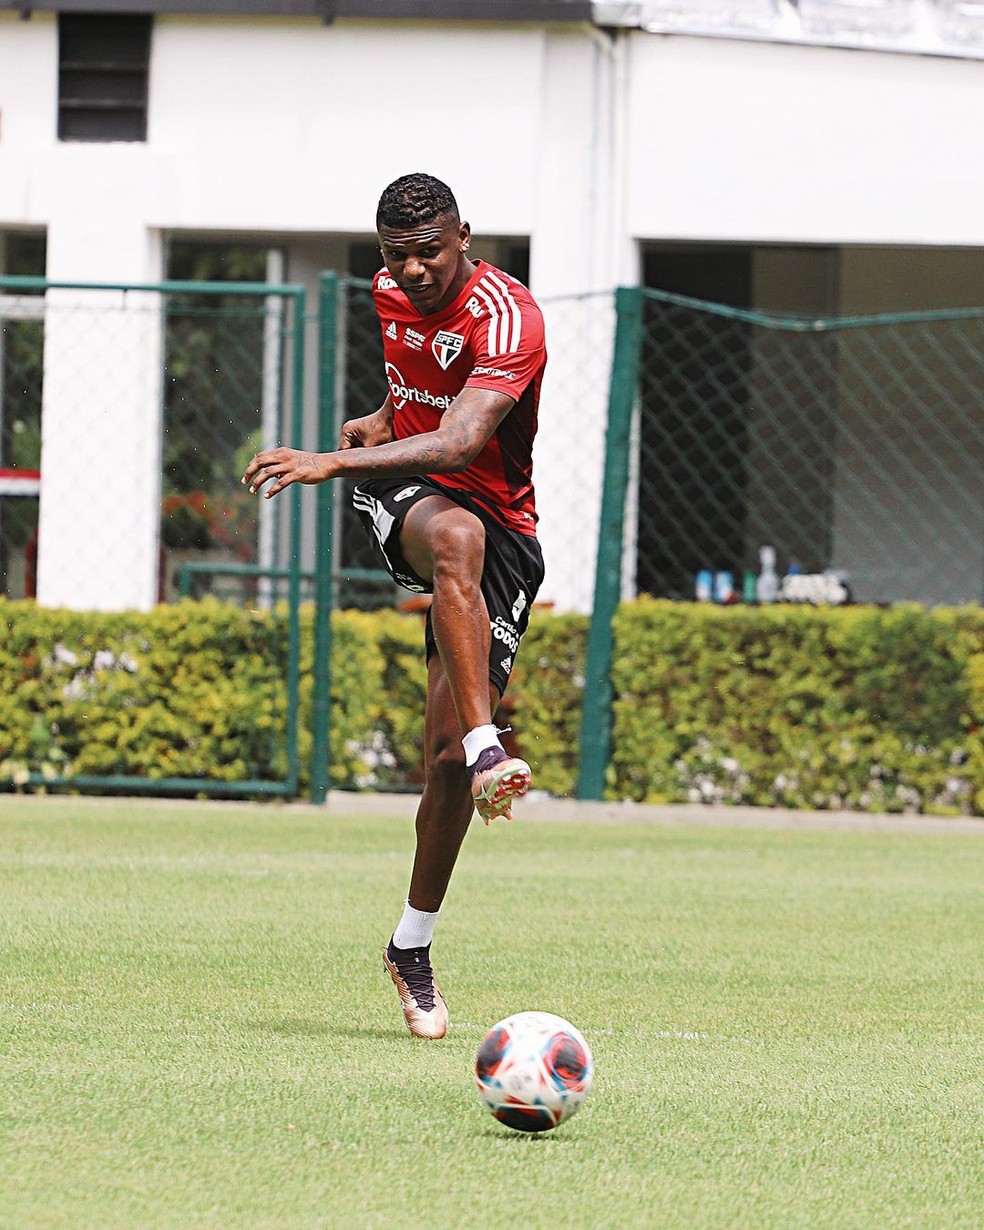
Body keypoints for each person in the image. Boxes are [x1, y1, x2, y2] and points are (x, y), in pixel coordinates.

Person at [242, 172, 547, 1040]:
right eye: (395, 254)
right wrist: (378, 425)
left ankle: (410, 948)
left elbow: (463, 436)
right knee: (454, 541)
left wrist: (335, 455)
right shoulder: (386, 290)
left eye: (427, 252)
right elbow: (419, 402)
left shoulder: (508, 316)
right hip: (417, 500)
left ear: (464, 239)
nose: (410, 271)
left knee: (443, 764)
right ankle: (496, 745)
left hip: (504, 525)